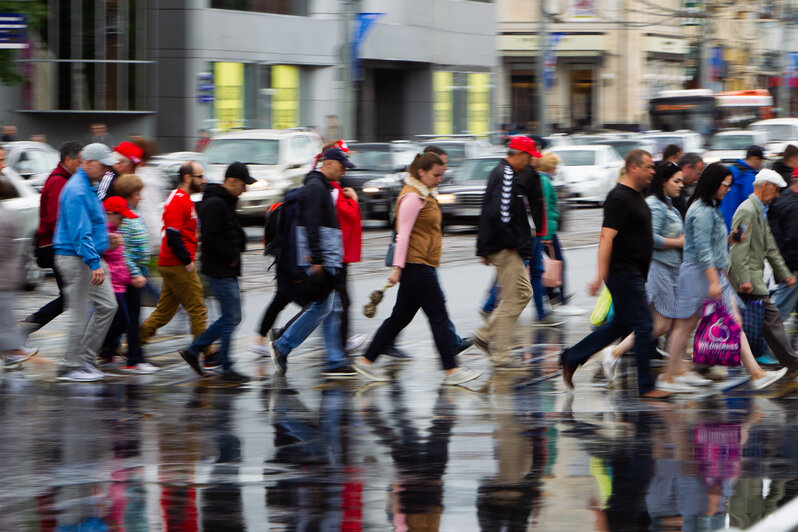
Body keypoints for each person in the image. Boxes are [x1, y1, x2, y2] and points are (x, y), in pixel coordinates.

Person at [351, 152, 482, 385]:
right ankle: (451, 370)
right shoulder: (413, 198)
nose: (440, 179)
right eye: (436, 175)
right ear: (421, 172)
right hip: (416, 265)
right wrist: (397, 268)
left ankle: (366, 361)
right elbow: (402, 236)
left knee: (399, 318)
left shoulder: (425, 193)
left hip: (422, 264)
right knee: (438, 316)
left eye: (442, 174)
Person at [665, 163, 787, 391]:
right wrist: (713, 280)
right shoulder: (701, 211)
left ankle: (755, 373)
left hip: (711, 272)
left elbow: (710, 245)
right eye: (726, 185)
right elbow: (702, 251)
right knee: (684, 326)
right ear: (713, 182)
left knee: (729, 321)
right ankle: (671, 375)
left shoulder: (709, 208)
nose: (729, 189)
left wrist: (730, 239)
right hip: (699, 274)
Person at [560, 150, 670, 399]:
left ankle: (571, 357)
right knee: (644, 326)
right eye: (648, 167)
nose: (653, 172)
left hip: (634, 272)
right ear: (633, 168)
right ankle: (646, 387)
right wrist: (601, 274)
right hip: (623, 272)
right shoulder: (619, 197)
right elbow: (606, 237)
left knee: (619, 325)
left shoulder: (636, 195)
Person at [600, 162, 711, 392]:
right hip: (658, 268)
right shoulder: (655, 205)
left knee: (665, 323)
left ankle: (676, 370)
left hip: (670, 268)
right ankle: (615, 353)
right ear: (663, 181)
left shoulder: (667, 204)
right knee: (660, 324)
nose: (682, 186)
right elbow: (653, 239)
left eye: (682, 181)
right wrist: (679, 242)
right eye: (676, 181)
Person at [269, 148, 358, 379]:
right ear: (328, 163)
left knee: (331, 307)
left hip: (327, 254)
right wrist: (317, 257)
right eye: (341, 166)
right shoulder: (316, 188)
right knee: (325, 307)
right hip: (323, 256)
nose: (343, 172)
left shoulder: (321, 187)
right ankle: (285, 346)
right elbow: (310, 223)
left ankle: (334, 359)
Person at [178, 162, 254, 383]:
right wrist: (229, 257)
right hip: (219, 269)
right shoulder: (215, 204)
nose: (245, 189)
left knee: (233, 316)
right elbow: (210, 239)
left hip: (226, 269)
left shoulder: (226, 202)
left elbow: (228, 234)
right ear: (231, 181)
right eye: (243, 185)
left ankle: (195, 351)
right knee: (231, 317)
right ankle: (225, 365)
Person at [53, 143, 119, 382]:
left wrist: (105, 240)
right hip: (76, 258)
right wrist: (94, 262)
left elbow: (89, 227)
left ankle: (85, 361)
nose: (107, 170)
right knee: (80, 312)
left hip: (85, 256)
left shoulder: (87, 187)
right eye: (104, 165)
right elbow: (80, 233)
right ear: (89, 162)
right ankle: (72, 366)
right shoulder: (77, 190)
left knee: (108, 306)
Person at [470, 137, 537, 371]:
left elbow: (492, 210)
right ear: (518, 154)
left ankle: (485, 335)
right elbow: (500, 213)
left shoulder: (503, 173)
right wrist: (509, 243)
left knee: (522, 293)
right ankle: (500, 354)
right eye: (529, 157)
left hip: (503, 246)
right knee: (515, 298)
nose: (529, 163)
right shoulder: (506, 174)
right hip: (506, 248)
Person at [728, 168, 798, 378]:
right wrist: (744, 279)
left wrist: (785, 274)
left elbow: (770, 247)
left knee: (732, 321)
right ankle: (792, 363)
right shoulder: (747, 210)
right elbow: (738, 248)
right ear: (765, 186)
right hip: (746, 276)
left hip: (750, 276)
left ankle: (705, 363)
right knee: (772, 317)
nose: (776, 196)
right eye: (775, 191)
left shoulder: (759, 211)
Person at [139, 161, 209, 364]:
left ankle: (136, 343)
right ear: (188, 178)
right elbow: (172, 234)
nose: (203, 180)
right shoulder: (180, 200)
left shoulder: (182, 199)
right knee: (197, 308)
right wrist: (187, 260)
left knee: (163, 312)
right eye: (199, 176)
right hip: (177, 264)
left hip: (170, 263)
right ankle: (205, 353)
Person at [22, 141, 83, 334]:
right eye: (80, 161)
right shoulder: (58, 182)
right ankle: (25, 328)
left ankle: (25, 328)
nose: (83, 166)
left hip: (58, 246)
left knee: (71, 296)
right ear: (68, 160)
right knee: (71, 296)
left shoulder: (66, 180)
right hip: (55, 247)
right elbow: (55, 220)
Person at [108, 175, 156, 373]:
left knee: (128, 318)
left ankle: (116, 351)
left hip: (136, 272)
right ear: (128, 195)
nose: (141, 197)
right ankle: (133, 358)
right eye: (137, 194)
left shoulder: (132, 213)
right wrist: (135, 273)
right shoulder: (125, 219)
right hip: (128, 275)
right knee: (128, 319)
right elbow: (123, 252)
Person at [98, 198, 133, 367]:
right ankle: (96, 344)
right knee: (122, 321)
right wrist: (107, 244)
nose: (123, 220)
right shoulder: (104, 232)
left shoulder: (117, 231)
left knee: (117, 321)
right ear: (110, 214)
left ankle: (108, 352)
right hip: (111, 285)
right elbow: (97, 252)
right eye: (121, 217)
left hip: (121, 284)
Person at [537, 152, 570, 307]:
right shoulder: (544, 181)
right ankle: (558, 298)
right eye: (555, 166)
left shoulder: (544, 180)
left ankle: (554, 295)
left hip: (547, 230)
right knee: (559, 263)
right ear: (549, 166)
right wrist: (547, 234)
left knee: (554, 263)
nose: (556, 169)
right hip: (547, 232)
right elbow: (545, 209)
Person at [768, 166, 798, 319]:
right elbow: (793, 240)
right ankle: (764, 342)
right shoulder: (794, 206)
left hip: (785, 265)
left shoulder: (784, 197)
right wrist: (794, 268)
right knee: (778, 315)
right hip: (792, 270)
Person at [719, 145, 765, 230]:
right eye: (760, 160)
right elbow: (752, 204)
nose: (761, 164)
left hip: (722, 222)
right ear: (755, 158)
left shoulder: (729, 171)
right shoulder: (751, 178)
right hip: (739, 225)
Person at [673, 152, 704, 217]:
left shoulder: (681, 190)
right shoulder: (672, 192)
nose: (697, 179)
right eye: (698, 174)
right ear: (687, 168)